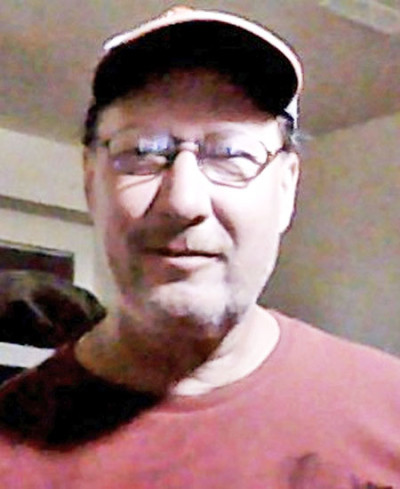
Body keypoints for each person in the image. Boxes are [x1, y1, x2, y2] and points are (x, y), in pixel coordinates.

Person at [0, 6, 399, 488]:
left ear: (286, 189)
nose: (183, 201)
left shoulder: (390, 417)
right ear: (91, 182)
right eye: (143, 151)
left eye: (231, 154)